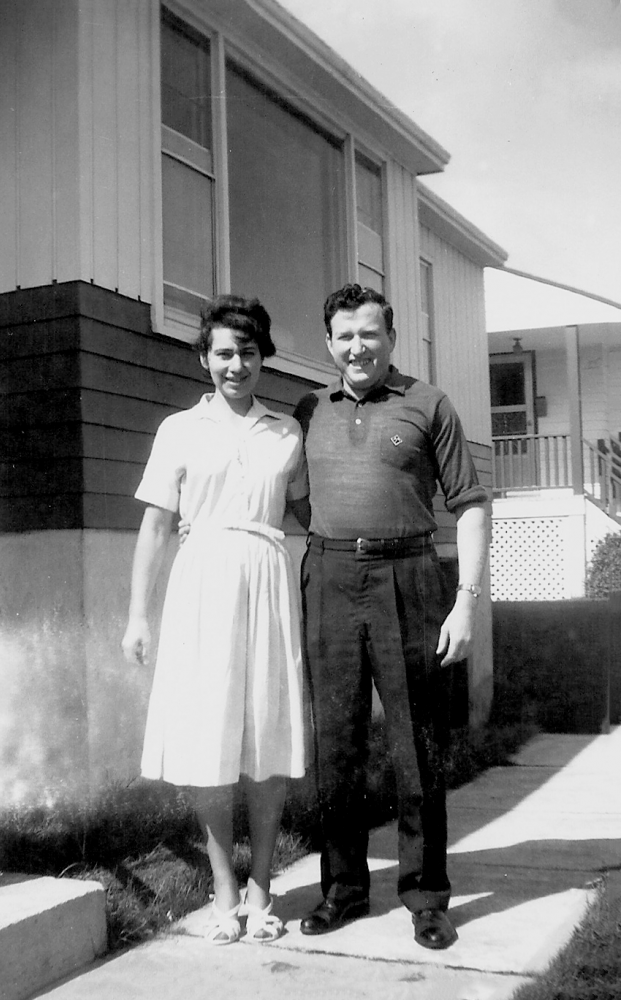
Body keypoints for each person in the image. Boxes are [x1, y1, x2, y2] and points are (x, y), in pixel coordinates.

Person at [293, 283, 490, 950]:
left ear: (391, 338)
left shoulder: (428, 403)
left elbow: (469, 502)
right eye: (344, 336)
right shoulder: (308, 408)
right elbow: (296, 498)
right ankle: (343, 891)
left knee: (416, 744)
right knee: (337, 746)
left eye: (369, 334)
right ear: (329, 343)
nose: (357, 347)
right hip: (330, 576)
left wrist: (466, 600)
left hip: (409, 575)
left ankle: (426, 896)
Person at [122, 294, 308, 946]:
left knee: (266, 736)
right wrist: (137, 617)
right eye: (224, 352)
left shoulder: (287, 433)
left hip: (267, 581)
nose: (236, 364)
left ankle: (262, 890)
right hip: (200, 585)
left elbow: (313, 517)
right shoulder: (177, 430)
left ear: (264, 358)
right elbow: (154, 527)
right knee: (209, 736)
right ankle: (223, 887)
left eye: (248, 352)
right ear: (205, 357)